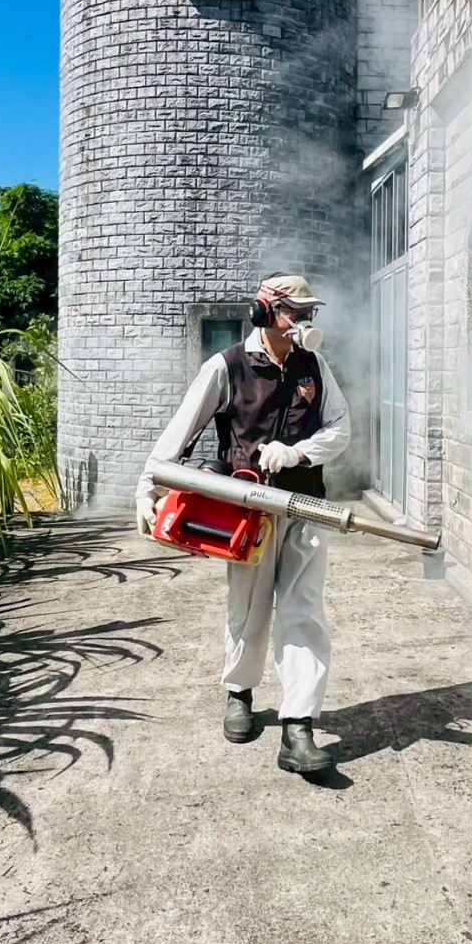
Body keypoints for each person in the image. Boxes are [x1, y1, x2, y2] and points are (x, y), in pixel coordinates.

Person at [134, 273, 350, 776]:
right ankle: (240, 692)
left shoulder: (314, 365)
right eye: (295, 312)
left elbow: (341, 426)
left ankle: (299, 726)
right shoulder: (226, 366)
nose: (304, 321)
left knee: (304, 611)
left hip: (305, 504)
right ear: (263, 311)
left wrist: (299, 451)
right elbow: (179, 432)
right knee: (248, 608)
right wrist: (147, 488)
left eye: (310, 313)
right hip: (248, 511)